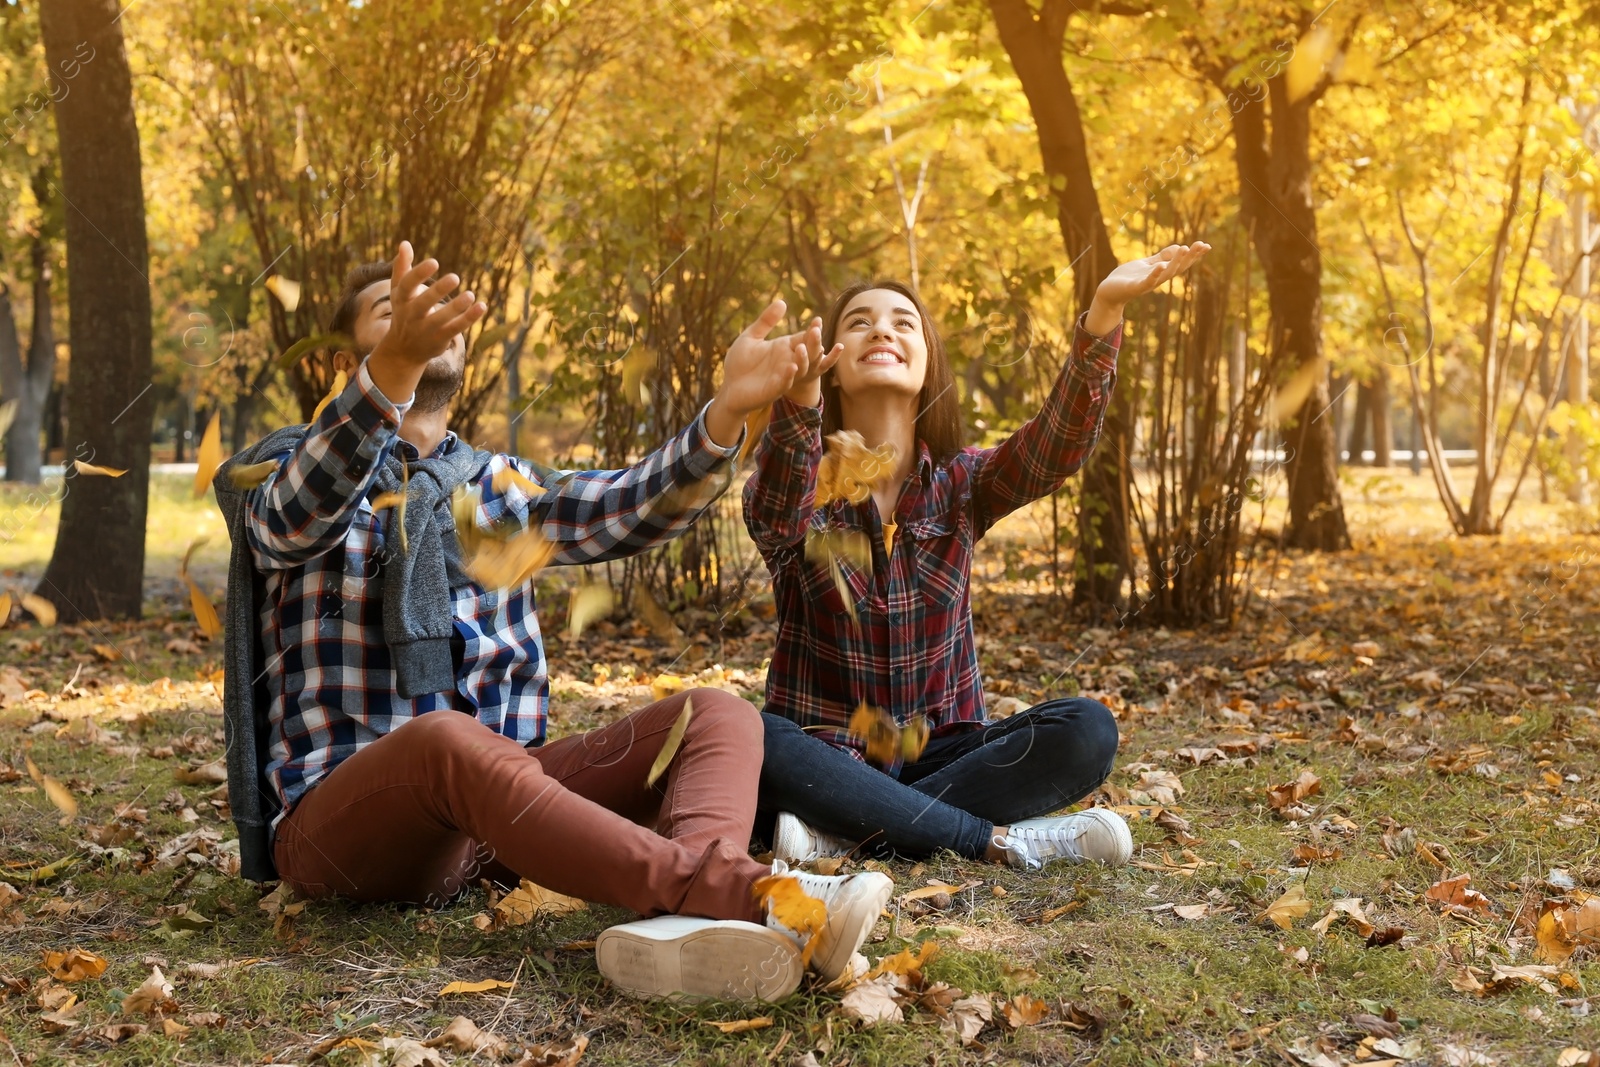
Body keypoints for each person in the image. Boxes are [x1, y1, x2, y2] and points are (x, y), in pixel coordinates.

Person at [212, 244, 892, 1001]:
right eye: (396, 310)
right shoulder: (284, 469)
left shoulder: (502, 486)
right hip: (342, 833)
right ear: (348, 360)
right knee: (443, 739)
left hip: (497, 828)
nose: (425, 321)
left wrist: (729, 409)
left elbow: (627, 506)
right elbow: (289, 523)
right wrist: (392, 375)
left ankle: (686, 928)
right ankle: (752, 893)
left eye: (441, 311)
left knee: (719, 715)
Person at [743, 243, 1211, 870]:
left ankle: (843, 831)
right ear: (830, 365)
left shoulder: (963, 484)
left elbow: (1056, 447)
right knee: (759, 742)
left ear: (928, 361)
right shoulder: (799, 485)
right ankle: (990, 839)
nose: (882, 327)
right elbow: (776, 506)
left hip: (946, 754)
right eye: (859, 321)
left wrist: (1103, 311)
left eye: (903, 322)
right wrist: (798, 406)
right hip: (823, 754)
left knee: (1087, 730)